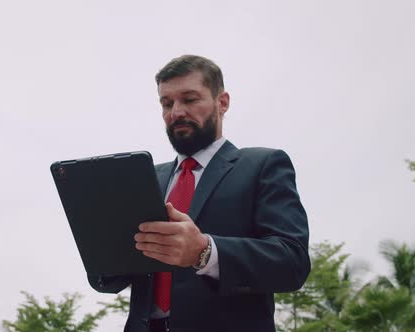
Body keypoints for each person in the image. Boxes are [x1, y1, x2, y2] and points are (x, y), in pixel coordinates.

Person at [88, 55, 310, 332]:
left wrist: (205, 252)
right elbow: (112, 279)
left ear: (222, 102)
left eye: (190, 99)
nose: (176, 112)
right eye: (167, 103)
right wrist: (103, 249)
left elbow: (293, 262)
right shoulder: (145, 179)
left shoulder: (264, 165)